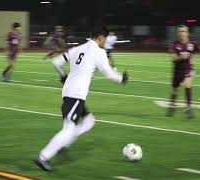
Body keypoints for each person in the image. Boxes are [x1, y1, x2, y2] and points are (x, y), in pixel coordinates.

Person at [34, 28, 129, 171]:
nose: (105, 42)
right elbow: (109, 74)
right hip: (76, 94)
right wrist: (122, 78)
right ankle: (43, 157)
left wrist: (64, 77)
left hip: (71, 91)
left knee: (89, 121)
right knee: (69, 129)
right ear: (101, 38)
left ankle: (63, 144)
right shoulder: (98, 52)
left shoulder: (78, 48)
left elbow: (56, 62)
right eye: (105, 39)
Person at [166, 25, 200, 119]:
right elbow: (173, 58)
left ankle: (188, 107)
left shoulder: (192, 43)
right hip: (177, 71)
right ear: (177, 33)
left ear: (188, 33)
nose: (181, 33)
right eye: (179, 31)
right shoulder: (174, 44)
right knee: (174, 91)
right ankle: (172, 105)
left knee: (187, 85)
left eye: (183, 31)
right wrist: (180, 57)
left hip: (188, 69)